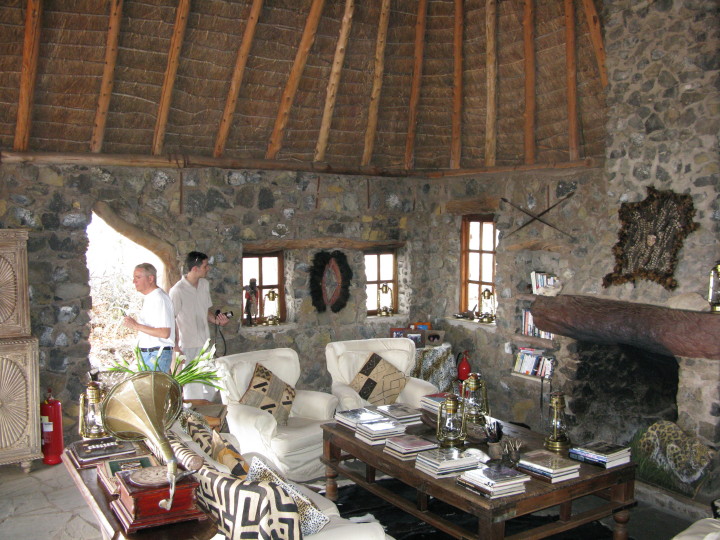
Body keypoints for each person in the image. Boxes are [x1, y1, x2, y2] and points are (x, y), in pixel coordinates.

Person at [169, 251, 229, 400]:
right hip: (187, 346)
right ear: (195, 268)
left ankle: (208, 413)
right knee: (192, 389)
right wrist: (175, 347)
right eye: (205, 266)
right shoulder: (177, 291)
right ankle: (193, 414)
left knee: (210, 386)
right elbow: (171, 319)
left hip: (205, 344)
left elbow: (205, 310)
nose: (208, 268)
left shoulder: (204, 284)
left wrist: (217, 321)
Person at [123, 263, 175, 373]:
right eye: (134, 278)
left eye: (138, 277)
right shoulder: (150, 297)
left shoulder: (159, 298)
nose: (134, 281)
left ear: (151, 278)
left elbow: (164, 333)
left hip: (156, 355)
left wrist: (136, 326)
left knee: (154, 385)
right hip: (149, 354)